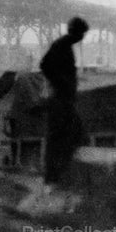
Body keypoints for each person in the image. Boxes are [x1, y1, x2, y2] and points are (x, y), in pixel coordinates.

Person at [40, 17, 89, 188]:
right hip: (60, 99)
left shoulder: (64, 45)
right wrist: (61, 83)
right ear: (76, 31)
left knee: (69, 135)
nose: (82, 37)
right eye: (82, 33)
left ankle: (55, 176)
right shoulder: (62, 45)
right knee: (61, 137)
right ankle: (52, 178)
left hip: (64, 99)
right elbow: (45, 65)